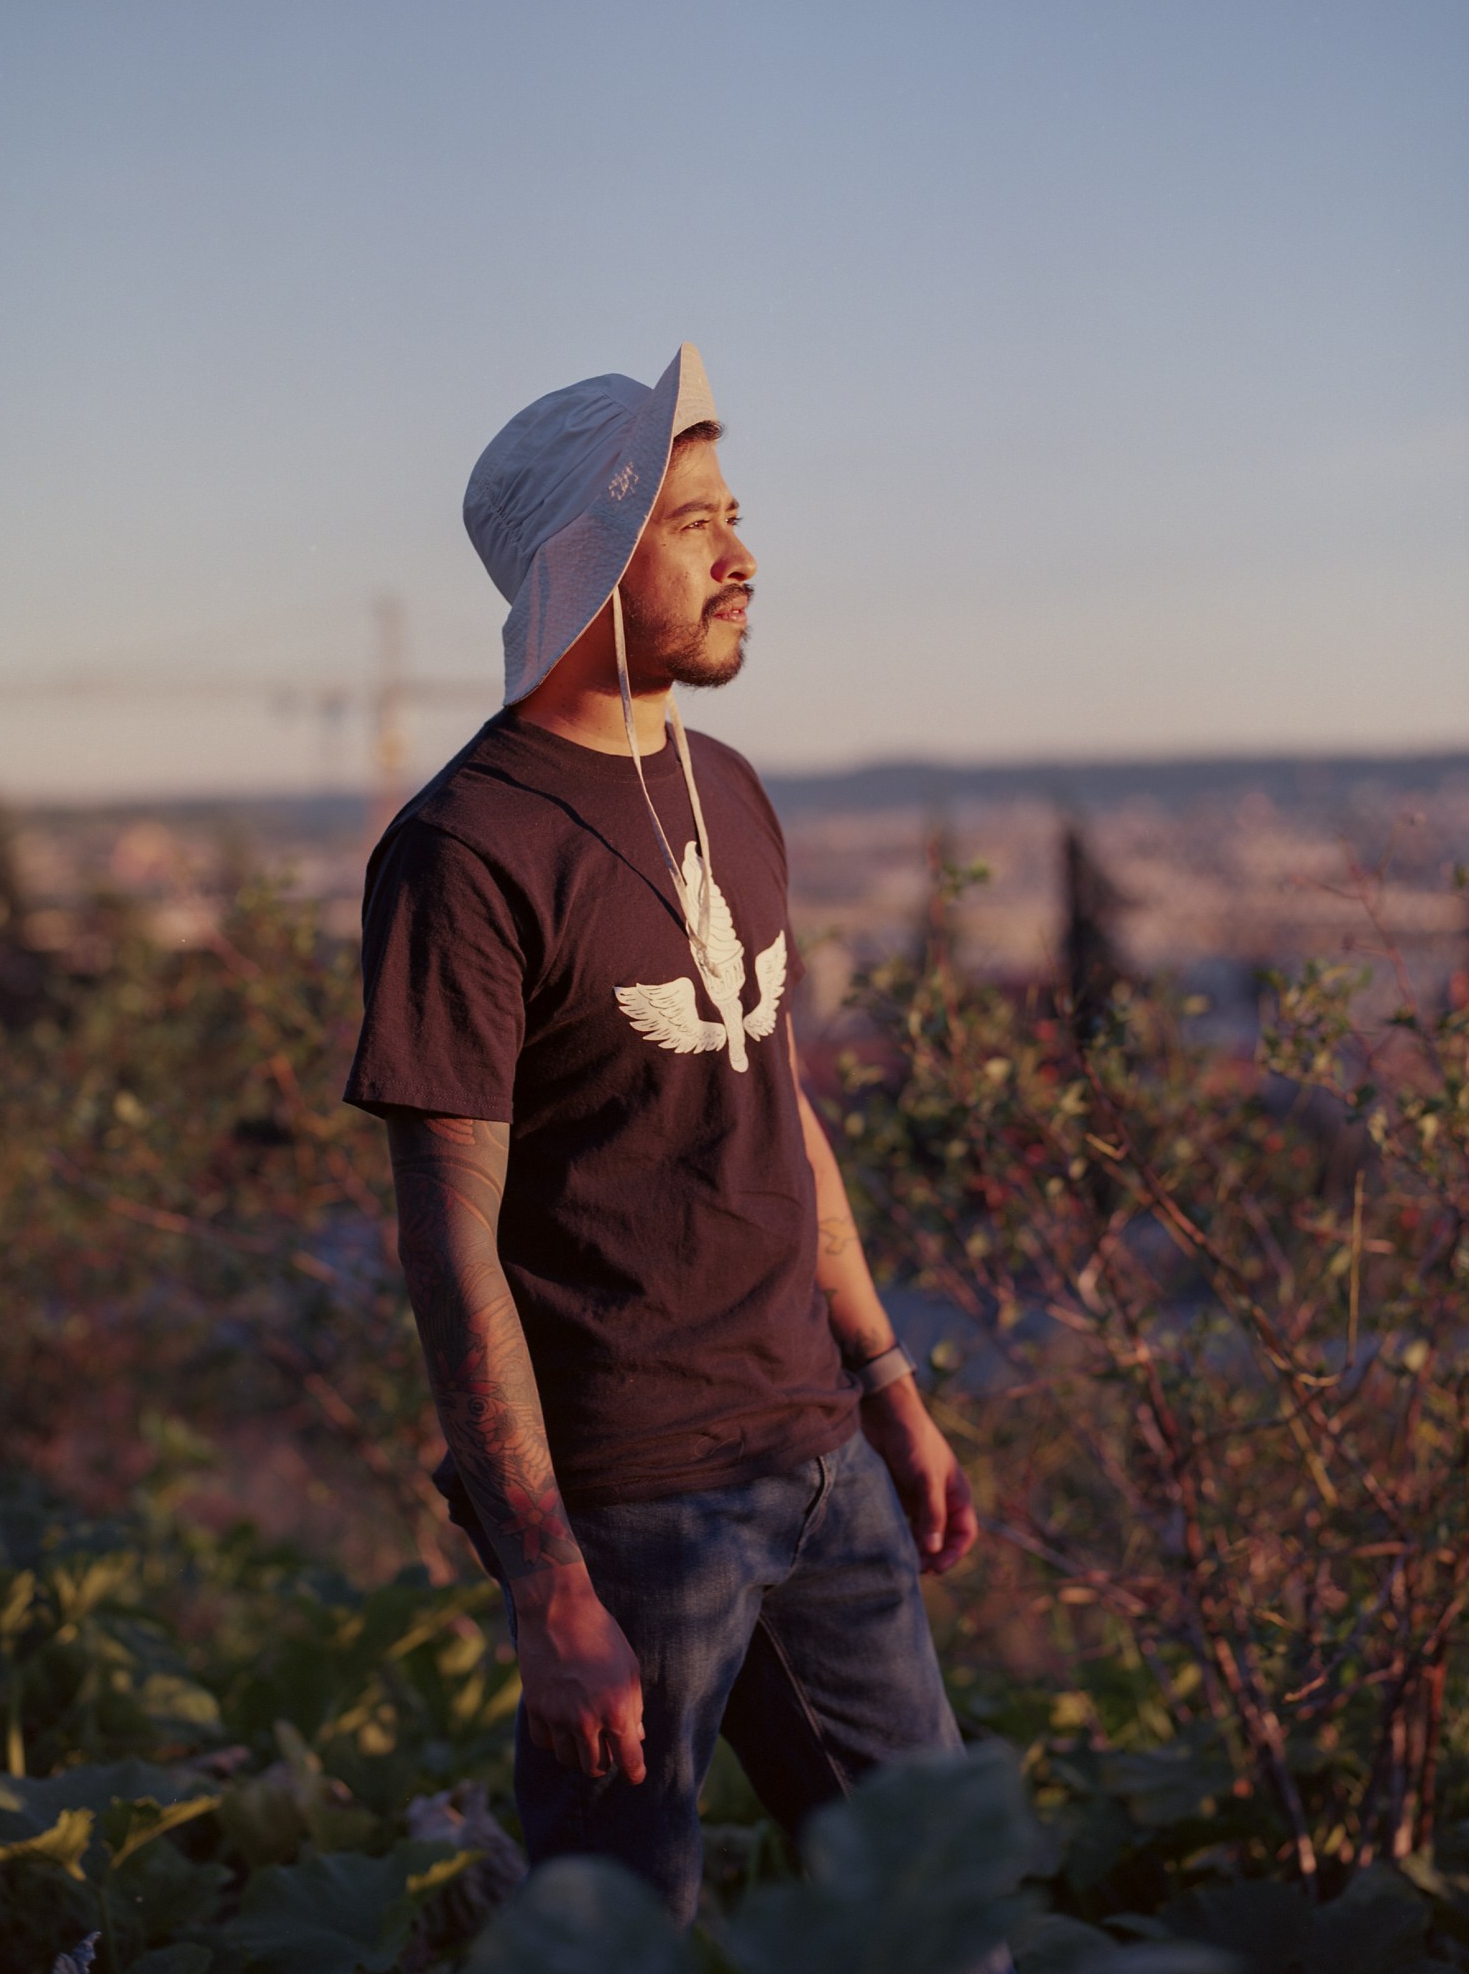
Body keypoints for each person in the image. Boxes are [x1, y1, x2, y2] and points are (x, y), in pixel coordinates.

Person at [344, 343, 981, 1927]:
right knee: (614, 1940)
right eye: (693, 525)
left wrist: (889, 1383)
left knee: (940, 1925)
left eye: (732, 512)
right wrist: (546, 1574)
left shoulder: (732, 790)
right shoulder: (464, 852)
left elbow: (776, 1114)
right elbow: (451, 1241)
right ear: (582, 562)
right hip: (632, 1518)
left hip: (818, 1461)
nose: (742, 554)